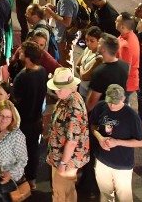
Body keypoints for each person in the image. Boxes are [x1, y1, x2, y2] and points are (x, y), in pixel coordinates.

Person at [88, 83, 142, 202]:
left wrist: (117, 142)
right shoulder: (101, 107)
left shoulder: (132, 116)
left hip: (122, 165)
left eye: (115, 102)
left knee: (125, 198)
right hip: (102, 160)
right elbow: (93, 126)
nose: (112, 105)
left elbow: (141, 142)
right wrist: (100, 138)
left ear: (123, 98)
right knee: (105, 195)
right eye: (110, 101)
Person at [45, 67, 89, 202]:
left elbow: (72, 141)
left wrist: (63, 163)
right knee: (67, 192)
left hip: (66, 160)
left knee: (61, 193)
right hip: (61, 156)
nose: (56, 91)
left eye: (60, 88)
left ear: (70, 86)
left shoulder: (73, 107)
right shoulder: (67, 97)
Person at [12, 41, 48, 187]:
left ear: (27, 57)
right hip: (37, 119)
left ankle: (20, 180)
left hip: (23, 121)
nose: (19, 52)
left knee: (19, 152)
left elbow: (15, 100)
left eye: (22, 51)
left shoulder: (22, 77)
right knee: (33, 150)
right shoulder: (42, 71)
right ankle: (32, 180)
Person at [0, 100, 28, 202]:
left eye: (8, 117)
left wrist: (10, 173)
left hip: (8, 181)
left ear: (13, 118)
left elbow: (23, 160)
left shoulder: (17, 135)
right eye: (1, 115)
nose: (4, 119)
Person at [86, 34, 128, 111]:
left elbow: (92, 102)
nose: (97, 45)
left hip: (100, 112)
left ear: (103, 49)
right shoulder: (125, 65)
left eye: (99, 43)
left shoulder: (100, 72)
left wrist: (85, 113)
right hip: (115, 109)